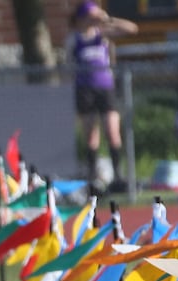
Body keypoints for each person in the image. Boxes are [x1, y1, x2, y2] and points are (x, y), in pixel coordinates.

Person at [68, 1, 137, 193]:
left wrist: (108, 19)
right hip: (85, 90)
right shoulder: (74, 39)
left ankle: (118, 177)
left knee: (112, 132)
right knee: (91, 135)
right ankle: (93, 179)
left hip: (105, 88)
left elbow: (132, 29)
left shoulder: (102, 34)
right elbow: (68, 64)